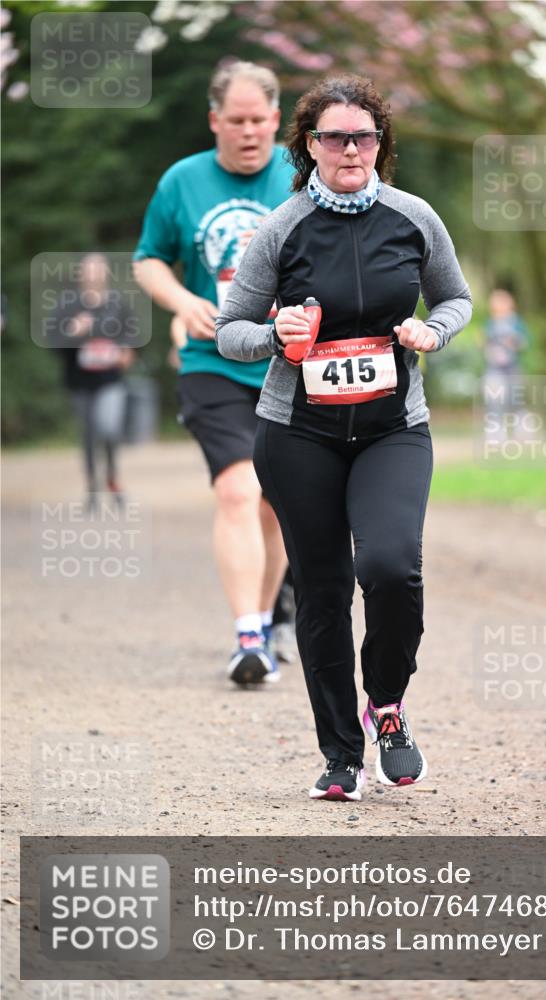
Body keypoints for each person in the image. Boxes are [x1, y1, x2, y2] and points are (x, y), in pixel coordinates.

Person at [215, 74, 472, 801]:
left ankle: (385, 703)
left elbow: (455, 297)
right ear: (309, 145)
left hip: (393, 429)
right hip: (298, 435)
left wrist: (433, 330)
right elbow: (229, 328)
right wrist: (274, 335)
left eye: (363, 135)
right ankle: (339, 755)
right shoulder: (283, 227)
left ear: (380, 143)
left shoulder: (413, 218)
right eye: (334, 136)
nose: (350, 148)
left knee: (391, 568)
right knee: (322, 591)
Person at [133, 61, 296, 685]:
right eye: (237, 121)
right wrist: (182, 303)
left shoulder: (302, 177)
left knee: (277, 506)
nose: (249, 132)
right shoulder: (183, 181)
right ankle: (248, 635)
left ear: (277, 120)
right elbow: (149, 261)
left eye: (260, 120)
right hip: (214, 362)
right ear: (214, 121)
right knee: (237, 489)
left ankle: (275, 612)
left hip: (288, 363)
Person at [51, 252, 135, 513]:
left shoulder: (118, 304)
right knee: (88, 437)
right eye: (89, 270)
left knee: (109, 429)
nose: (93, 274)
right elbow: (54, 344)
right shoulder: (67, 306)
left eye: (98, 269)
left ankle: (112, 477)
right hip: (79, 383)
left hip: (110, 381)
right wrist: (73, 332)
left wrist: (126, 353)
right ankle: (92, 487)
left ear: (105, 273)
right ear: (81, 274)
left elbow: (130, 339)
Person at [482, 288, 529, 444]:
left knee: (515, 399)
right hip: (494, 368)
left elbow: (524, 342)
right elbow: (484, 342)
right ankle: (496, 432)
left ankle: (519, 430)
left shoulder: (515, 322)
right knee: (494, 399)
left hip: (512, 367)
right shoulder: (490, 323)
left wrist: (513, 342)